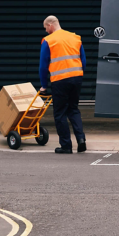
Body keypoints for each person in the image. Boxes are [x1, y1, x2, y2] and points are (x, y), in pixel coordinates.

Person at [39, 16, 87, 154]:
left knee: (60, 114)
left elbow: (43, 66)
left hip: (60, 80)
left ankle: (66, 146)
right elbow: (83, 61)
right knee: (73, 110)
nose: (46, 31)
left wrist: (44, 85)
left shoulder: (48, 40)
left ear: (50, 25)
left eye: (46, 28)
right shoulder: (75, 37)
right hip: (77, 78)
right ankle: (81, 140)